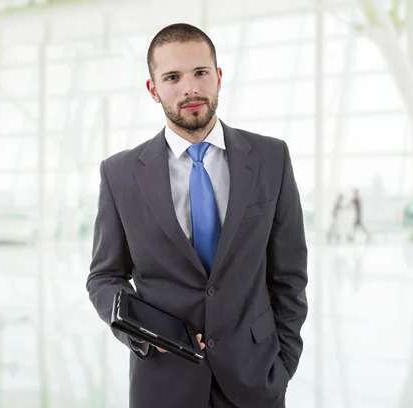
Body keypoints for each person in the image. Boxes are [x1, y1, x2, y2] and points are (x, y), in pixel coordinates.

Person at [86, 23, 308, 408]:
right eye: (172, 77)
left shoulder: (272, 159)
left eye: (200, 72)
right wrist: (144, 333)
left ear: (219, 77)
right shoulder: (119, 174)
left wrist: (283, 366)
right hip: (163, 383)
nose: (189, 88)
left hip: (255, 379)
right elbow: (104, 276)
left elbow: (288, 275)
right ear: (153, 90)